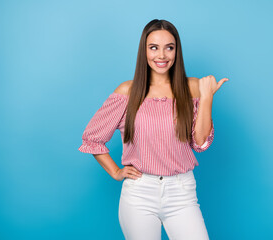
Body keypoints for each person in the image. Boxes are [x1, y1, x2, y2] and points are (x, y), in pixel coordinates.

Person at [78, 19, 228, 240]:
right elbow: (92, 139)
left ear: (177, 51)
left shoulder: (193, 87)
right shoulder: (128, 91)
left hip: (181, 192)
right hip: (139, 193)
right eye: (154, 47)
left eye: (169, 47)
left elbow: (201, 143)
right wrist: (116, 172)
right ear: (144, 51)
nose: (162, 55)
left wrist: (207, 98)